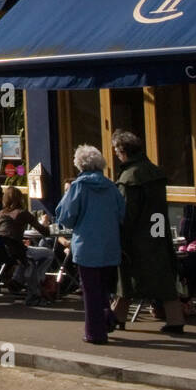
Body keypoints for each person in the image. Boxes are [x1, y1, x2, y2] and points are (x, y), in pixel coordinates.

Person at [110, 130, 186, 334]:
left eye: (116, 150)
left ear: (123, 150)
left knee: (126, 278)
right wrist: (159, 233)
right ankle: (175, 319)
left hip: (138, 235)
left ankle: (116, 318)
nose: (116, 154)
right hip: (158, 229)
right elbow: (159, 208)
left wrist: (121, 236)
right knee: (163, 276)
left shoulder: (129, 176)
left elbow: (127, 213)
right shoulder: (155, 172)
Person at [55, 145, 124, 344]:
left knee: (91, 292)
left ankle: (95, 332)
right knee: (104, 289)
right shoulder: (111, 186)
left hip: (86, 245)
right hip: (110, 245)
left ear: (80, 164)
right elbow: (121, 214)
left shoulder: (79, 186)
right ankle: (106, 318)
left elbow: (66, 216)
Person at [0, 185, 54, 304]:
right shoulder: (22, 213)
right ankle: (39, 279)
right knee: (49, 253)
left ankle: (17, 280)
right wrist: (46, 223)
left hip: (4, 252)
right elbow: (44, 231)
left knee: (28, 259)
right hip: (20, 251)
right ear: (20, 199)